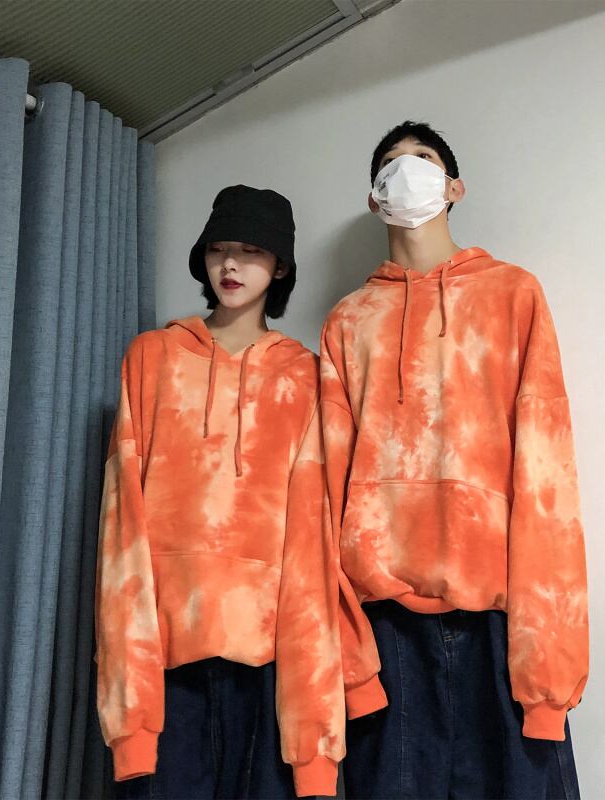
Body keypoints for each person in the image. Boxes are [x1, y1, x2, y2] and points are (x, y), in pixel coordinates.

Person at [320, 121, 589, 799]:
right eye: (390, 163)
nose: (406, 169)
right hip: (385, 628)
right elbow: (323, 495)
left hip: (500, 622)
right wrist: (350, 664)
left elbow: (547, 477)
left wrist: (548, 674)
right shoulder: (349, 320)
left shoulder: (512, 294)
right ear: (376, 198)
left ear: (454, 187)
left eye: (423, 158)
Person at [94, 184, 386, 800]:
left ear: (279, 266)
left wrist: (319, 724)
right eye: (218, 249)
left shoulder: (303, 375)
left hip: (270, 662)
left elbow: (312, 541)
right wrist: (130, 714)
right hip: (164, 658)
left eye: (251, 251)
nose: (230, 264)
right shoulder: (151, 357)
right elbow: (122, 527)